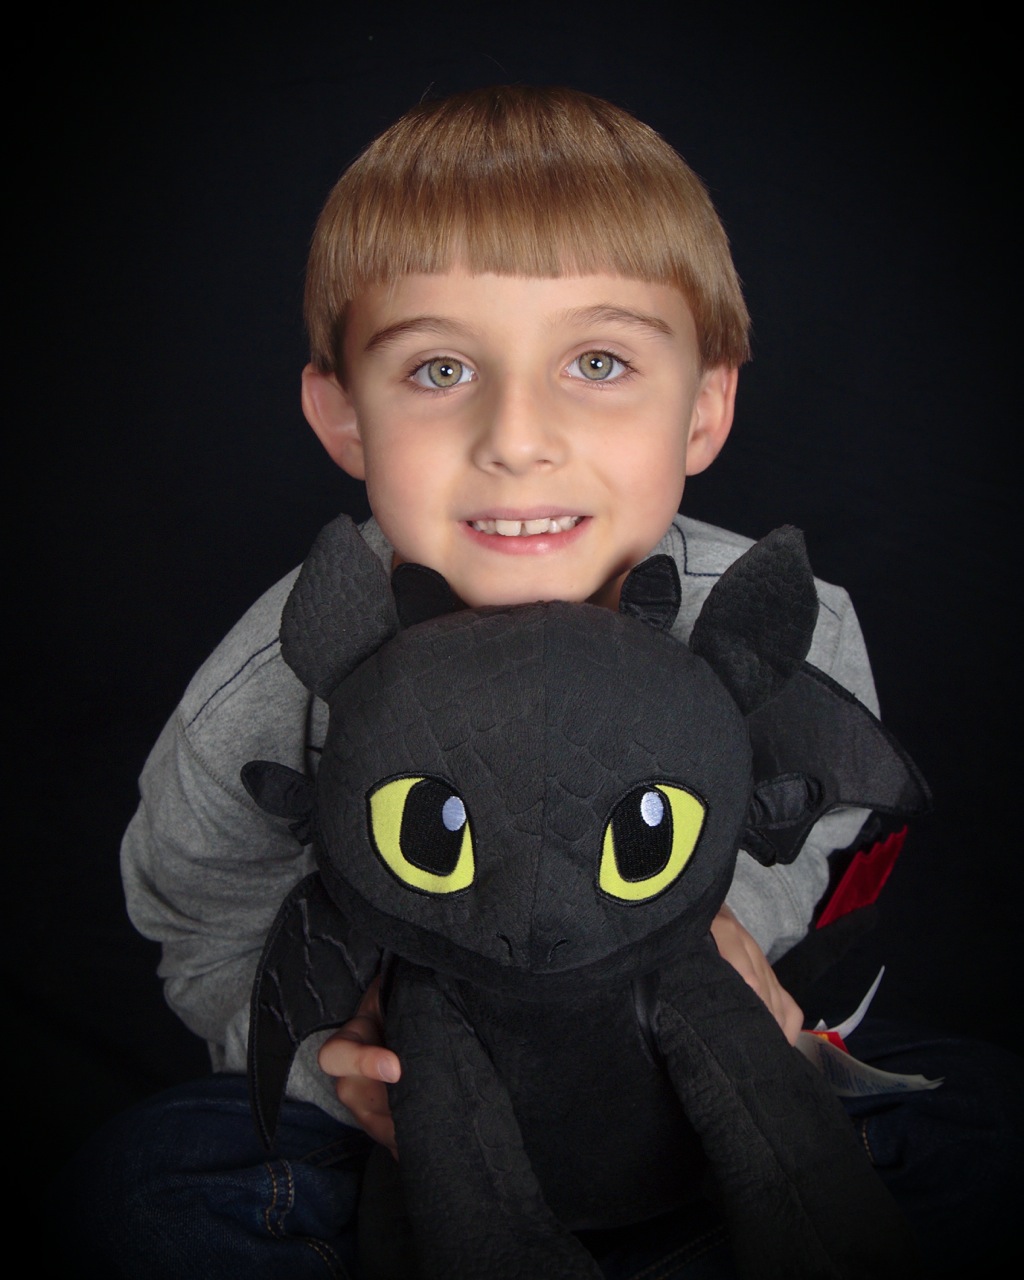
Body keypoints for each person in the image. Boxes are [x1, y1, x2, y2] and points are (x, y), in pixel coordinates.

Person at [61, 85, 1020, 1277]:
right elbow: (196, 911)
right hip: (413, 1119)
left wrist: (727, 940)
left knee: (985, 1118)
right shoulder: (289, 668)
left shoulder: (779, 625)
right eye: (440, 368)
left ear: (704, 407)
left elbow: (811, 830)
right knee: (143, 1189)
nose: (517, 437)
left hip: (691, 1082)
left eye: (599, 361)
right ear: (344, 417)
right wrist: (325, 1057)